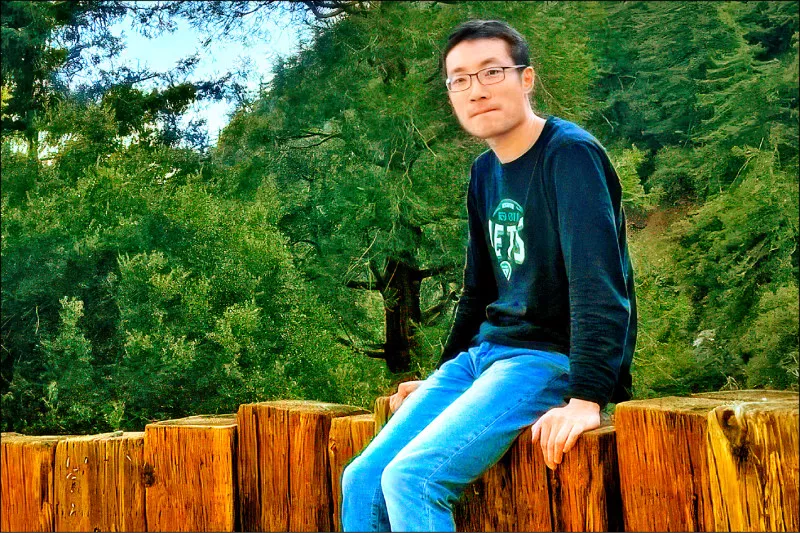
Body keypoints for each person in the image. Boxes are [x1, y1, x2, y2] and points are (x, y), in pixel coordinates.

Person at [341, 19, 637, 532]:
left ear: (526, 79)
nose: (476, 90)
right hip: (482, 359)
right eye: (460, 79)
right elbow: (478, 290)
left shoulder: (570, 155)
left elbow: (600, 287)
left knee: (413, 479)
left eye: (491, 72)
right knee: (362, 479)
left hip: (545, 359)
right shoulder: (484, 171)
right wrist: (443, 376)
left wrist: (588, 397)